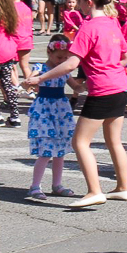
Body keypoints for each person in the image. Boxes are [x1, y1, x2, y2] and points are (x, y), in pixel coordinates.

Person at [24, 0, 127, 208]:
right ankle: (122, 188)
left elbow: (71, 63)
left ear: (88, 2)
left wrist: (40, 78)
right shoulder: (113, 23)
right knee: (113, 140)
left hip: (103, 89)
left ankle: (95, 191)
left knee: (80, 141)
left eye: (80, 1)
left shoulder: (89, 26)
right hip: (121, 87)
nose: (79, 6)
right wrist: (112, 67)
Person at [24, 36, 81, 201]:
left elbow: (75, 86)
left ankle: (57, 184)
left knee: (60, 151)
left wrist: (86, 85)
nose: (61, 61)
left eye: (65, 58)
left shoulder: (64, 70)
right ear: (49, 52)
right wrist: (30, 81)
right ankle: (35, 186)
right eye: (59, 57)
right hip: (44, 111)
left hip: (61, 111)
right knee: (45, 151)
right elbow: (30, 79)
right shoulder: (40, 67)